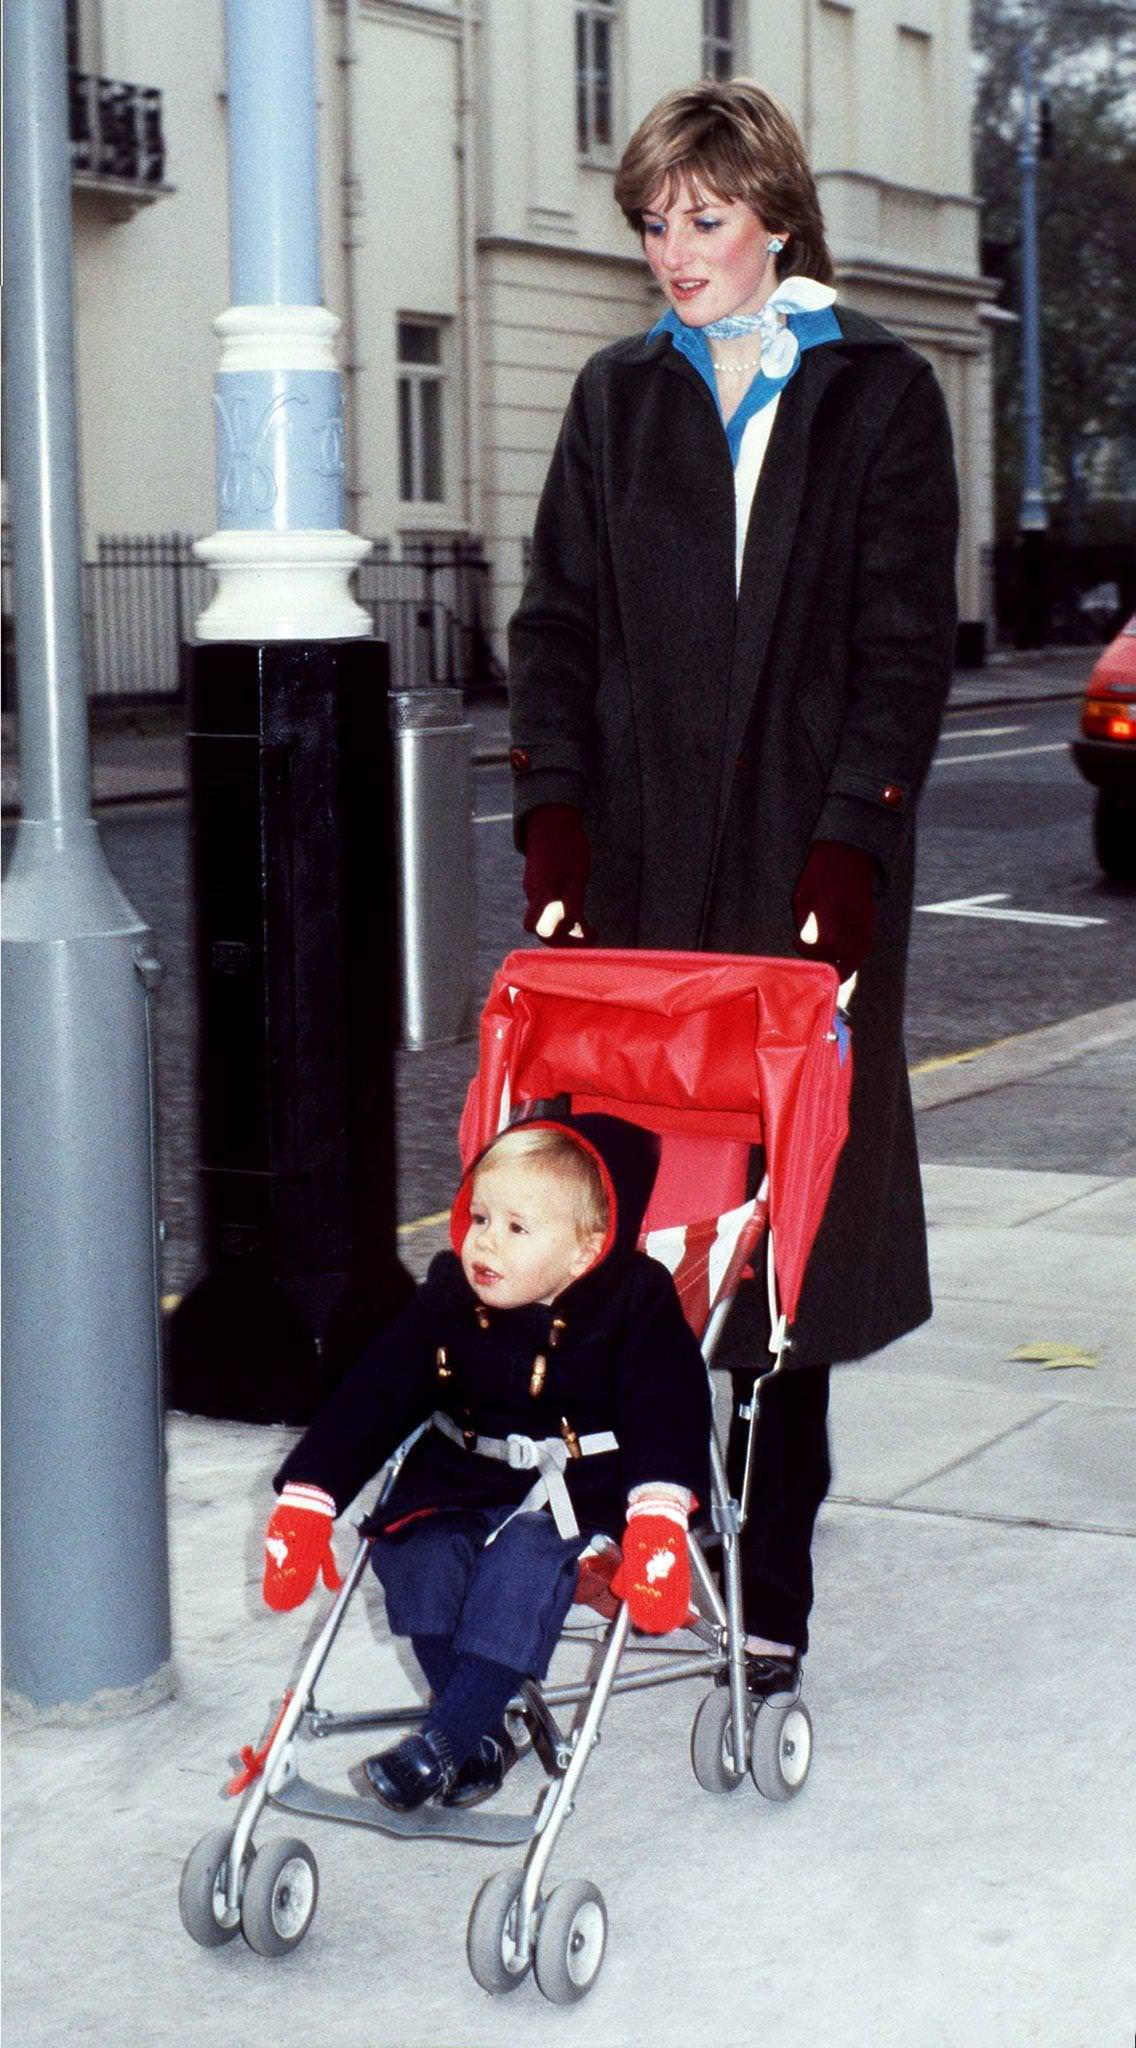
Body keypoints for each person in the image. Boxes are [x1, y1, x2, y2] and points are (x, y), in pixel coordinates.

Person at [507, 79, 959, 1696]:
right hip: (633, 888)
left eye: (702, 218)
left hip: (803, 879)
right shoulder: (616, 396)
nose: (672, 251)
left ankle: (769, 1582)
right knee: (630, 1217)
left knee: (785, 1244)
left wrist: (854, 837)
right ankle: (640, 1526)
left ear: (773, 213)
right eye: (652, 223)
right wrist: (553, 814)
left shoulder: (878, 393)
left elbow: (903, 646)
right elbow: (553, 625)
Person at [261, 1112, 711, 1811]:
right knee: (415, 1555)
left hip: (576, 1490)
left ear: (583, 1250)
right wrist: (312, 1494)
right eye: (479, 1218)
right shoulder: (449, 1295)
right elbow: (378, 1389)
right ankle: (477, 1738)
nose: (485, 1244)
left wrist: (657, 1513)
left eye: (516, 1228)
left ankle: (441, 1745)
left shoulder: (633, 1302)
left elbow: (669, 1403)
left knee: (520, 1570)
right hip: (460, 1473)